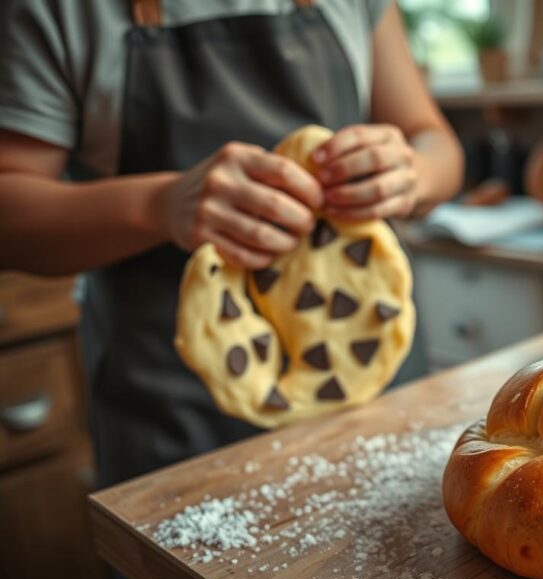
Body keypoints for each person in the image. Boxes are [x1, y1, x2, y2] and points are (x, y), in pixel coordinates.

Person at [0, 0, 463, 490]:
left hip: (370, 381)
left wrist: (412, 171)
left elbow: (435, 143)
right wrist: (159, 203)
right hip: (174, 409)